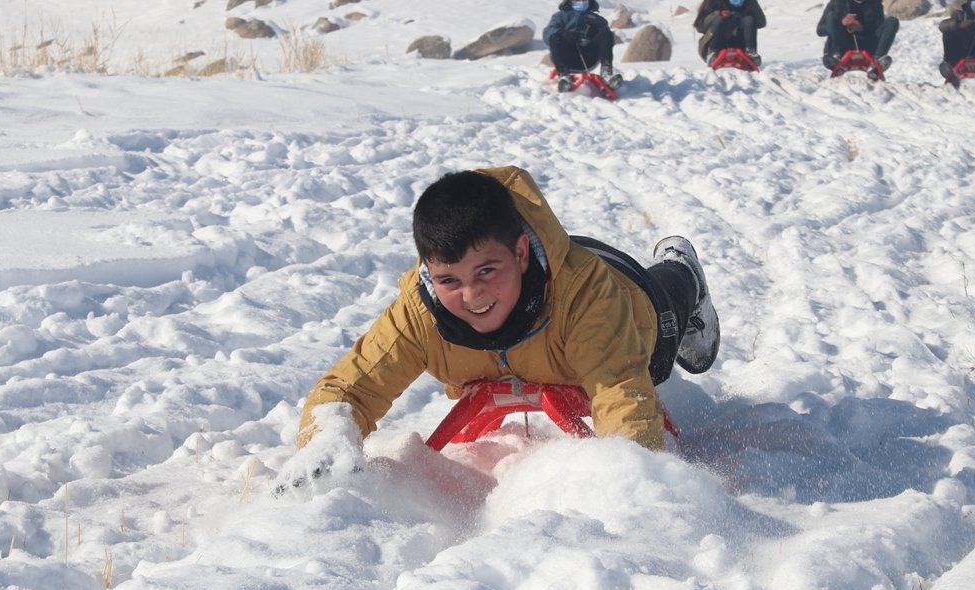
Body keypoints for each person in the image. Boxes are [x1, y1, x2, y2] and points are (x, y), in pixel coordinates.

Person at [283, 166, 721, 488]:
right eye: (450, 280)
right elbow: (348, 391)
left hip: (625, 295)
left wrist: (636, 484)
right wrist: (327, 446)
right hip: (539, 280)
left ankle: (682, 269)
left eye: (486, 272)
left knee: (663, 327)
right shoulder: (421, 313)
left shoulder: (590, 299)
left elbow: (620, 395)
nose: (472, 297)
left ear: (521, 253)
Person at [543, 0, 623, 91]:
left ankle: (606, 73)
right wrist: (564, 34)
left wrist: (596, 33)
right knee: (554, 37)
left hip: (588, 57)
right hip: (566, 56)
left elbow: (607, 41)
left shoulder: (598, 20)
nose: (581, 2)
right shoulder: (560, 16)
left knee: (606, 33)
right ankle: (564, 76)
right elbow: (547, 34)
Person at [817, 0, 900, 73]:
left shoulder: (875, 2)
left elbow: (879, 26)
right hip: (842, 44)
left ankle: (878, 59)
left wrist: (862, 28)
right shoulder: (836, 2)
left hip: (868, 43)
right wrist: (842, 23)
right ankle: (836, 58)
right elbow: (820, 30)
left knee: (892, 22)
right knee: (832, 16)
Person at [694, 0, 767, 67]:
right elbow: (700, 27)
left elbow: (761, 23)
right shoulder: (712, 1)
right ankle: (712, 53)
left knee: (749, 19)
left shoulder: (748, 2)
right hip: (717, 41)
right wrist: (717, 14)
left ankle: (751, 53)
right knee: (720, 19)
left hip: (739, 42)